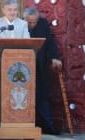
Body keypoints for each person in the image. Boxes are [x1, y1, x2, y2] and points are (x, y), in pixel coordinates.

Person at [0, 0, 30, 125]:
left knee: (18, 93)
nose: (12, 12)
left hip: (19, 66)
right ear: (4, 10)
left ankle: (17, 122)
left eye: (15, 10)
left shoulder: (23, 24)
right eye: (9, 9)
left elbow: (28, 42)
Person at [23, 7, 62, 135]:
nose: (32, 24)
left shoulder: (43, 23)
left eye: (34, 21)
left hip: (40, 66)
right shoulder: (19, 25)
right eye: (30, 22)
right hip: (22, 68)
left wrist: (55, 58)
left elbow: (50, 42)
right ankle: (24, 126)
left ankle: (48, 126)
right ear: (24, 19)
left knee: (42, 96)